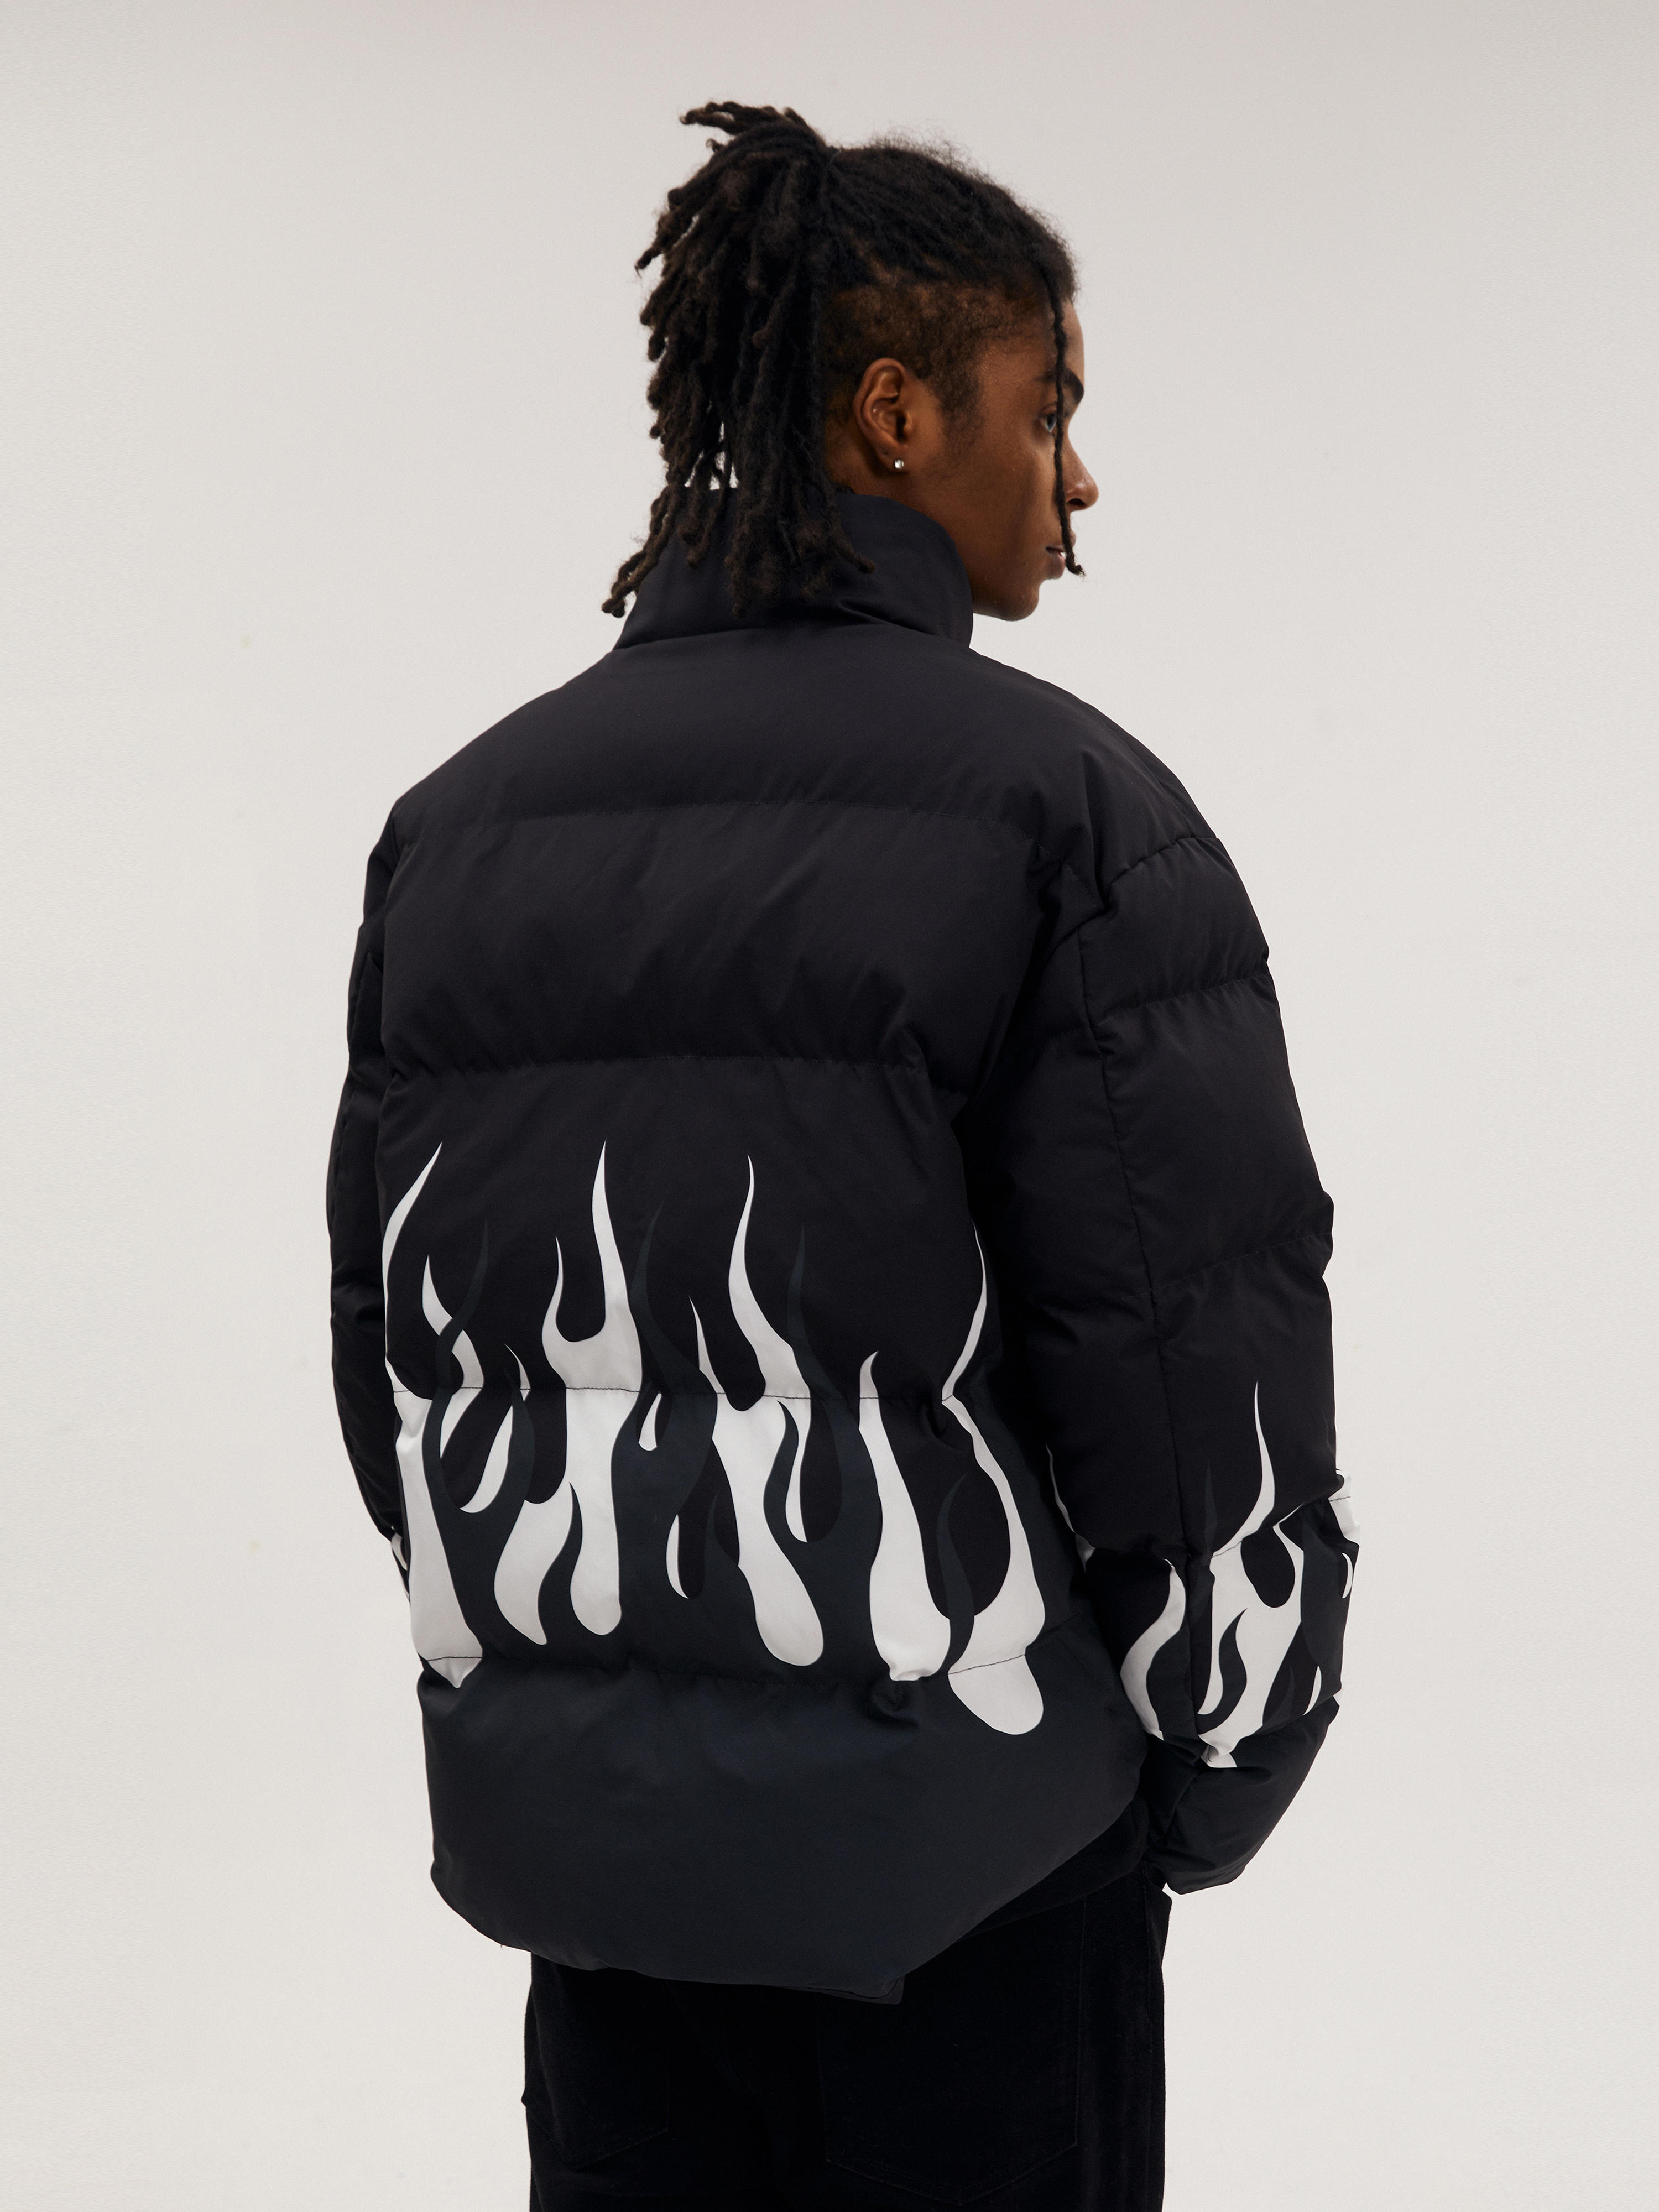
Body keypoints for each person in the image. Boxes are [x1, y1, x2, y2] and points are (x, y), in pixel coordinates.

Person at [328, 102, 1358, 2212]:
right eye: (1048, 410)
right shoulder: (1072, 816)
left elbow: (402, 1361)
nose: (1078, 478)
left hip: (606, 1901)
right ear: (897, 415)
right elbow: (1193, 1377)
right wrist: (1208, 1777)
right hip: (977, 1892)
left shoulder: (459, 828)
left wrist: (583, 1718)